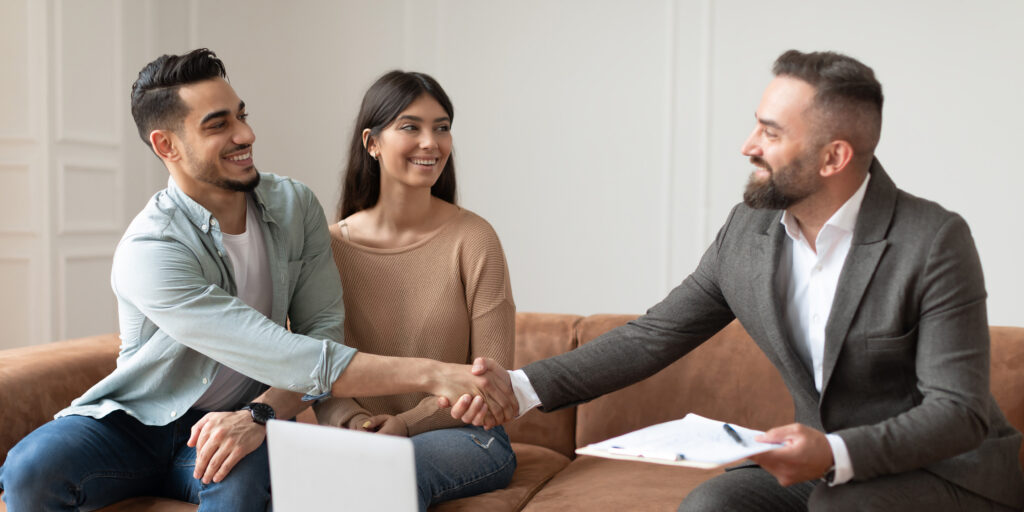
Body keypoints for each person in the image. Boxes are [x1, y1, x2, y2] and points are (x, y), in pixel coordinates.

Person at [452, 49, 1024, 511]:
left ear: (833, 157)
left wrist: (832, 452)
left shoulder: (932, 240)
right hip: (818, 465)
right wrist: (518, 389)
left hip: (943, 472)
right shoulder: (749, 233)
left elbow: (958, 412)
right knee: (713, 505)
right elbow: (655, 334)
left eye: (771, 134)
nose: (748, 146)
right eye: (757, 125)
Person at [0, 49, 512, 511]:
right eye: (218, 124)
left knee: (244, 483)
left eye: (241, 115)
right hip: (137, 422)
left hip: (235, 419)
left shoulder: (294, 207)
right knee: (28, 469)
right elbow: (281, 352)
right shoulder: (149, 250)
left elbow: (320, 334)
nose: (245, 134)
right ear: (166, 144)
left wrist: (260, 414)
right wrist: (432, 374)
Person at [313, 70, 517, 511]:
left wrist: (405, 424)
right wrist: (357, 422)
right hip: (359, 440)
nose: (432, 142)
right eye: (411, 127)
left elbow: (493, 381)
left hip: (467, 437)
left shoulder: (475, 238)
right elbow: (317, 371)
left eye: (441, 128)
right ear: (372, 143)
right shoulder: (327, 248)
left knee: (387, 472)